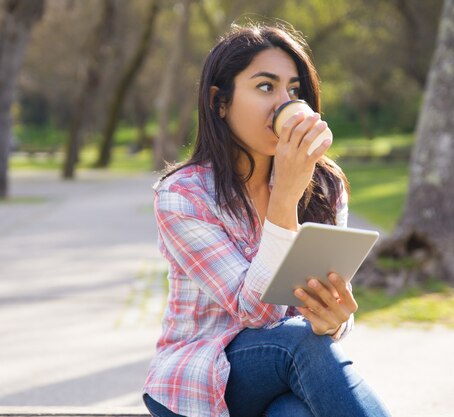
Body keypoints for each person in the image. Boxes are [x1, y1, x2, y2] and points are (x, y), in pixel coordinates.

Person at [143, 23, 391, 417]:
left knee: (293, 413)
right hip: (198, 380)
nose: (283, 103)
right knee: (300, 343)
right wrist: (285, 198)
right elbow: (256, 314)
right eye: (265, 87)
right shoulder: (183, 195)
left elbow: (319, 310)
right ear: (219, 102)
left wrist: (335, 321)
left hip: (288, 370)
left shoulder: (324, 186)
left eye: (294, 91)